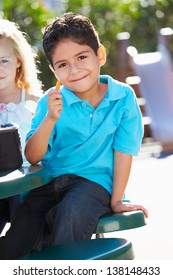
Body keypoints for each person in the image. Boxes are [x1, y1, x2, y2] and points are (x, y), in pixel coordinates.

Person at [0, 12, 148, 259]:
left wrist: (117, 200)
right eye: (63, 64)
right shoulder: (50, 101)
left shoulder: (122, 98)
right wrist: (50, 119)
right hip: (50, 181)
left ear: (99, 55)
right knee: (24, 225)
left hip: (94, 183)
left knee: (71, 212)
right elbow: (33, 157)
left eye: (81, 57)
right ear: (53, 70)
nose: (75, 70)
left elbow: (124, 151)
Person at [0, 18, 42, 235]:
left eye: (3, 61)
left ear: (18, 60)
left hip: (30, 187)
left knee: (23, 227)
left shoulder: (35, 103)